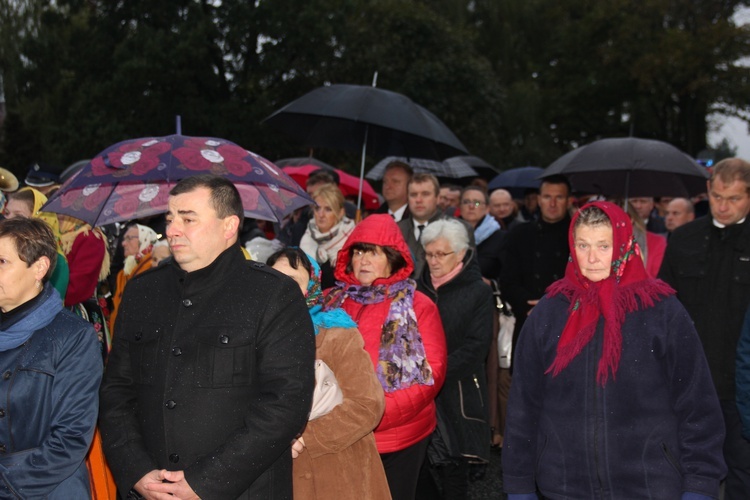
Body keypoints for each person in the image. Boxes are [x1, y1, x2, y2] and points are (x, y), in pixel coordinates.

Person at [99, 174, 316, 499]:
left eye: (188, 219)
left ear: (229, 226)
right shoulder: (143, 291)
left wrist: (204, 483)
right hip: (148, 488)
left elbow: (285, 403)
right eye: (170, 218)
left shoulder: (273, 295)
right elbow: (116, 390)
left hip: (241, 491)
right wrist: (135, 470)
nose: (172, 229)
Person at [503, 201, 726, 499]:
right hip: (565, 485)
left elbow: (698, 405)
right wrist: (518, 485)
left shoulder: (662, 312)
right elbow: (523, 406)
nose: (592, 257)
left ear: (623, 245)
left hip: (649, 484)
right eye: (583, 245)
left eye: (604, 245)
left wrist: (700, 485)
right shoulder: (549, 312)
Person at [324, 214, 446, 500]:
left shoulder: (418, 306)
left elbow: (431, 375)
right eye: (359, 251)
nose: (364, 260)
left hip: (398, 437)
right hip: (339, 433)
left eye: (374, 252)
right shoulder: (331, 300)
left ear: (393, 258)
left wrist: (372, 414)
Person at [267, 248, 391, 500]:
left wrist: (302, 439)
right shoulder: (255, 340)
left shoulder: (337, 335)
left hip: (339, 473)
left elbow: (367, 405)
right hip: (281, 477)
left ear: (311, 289)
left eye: (291, 281)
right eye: (272, 279)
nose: (278, 289)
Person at [659, 158, 750, 499]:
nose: (723, 206)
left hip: (741, 388)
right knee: (687, 469)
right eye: (717, 196)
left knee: (742, 471)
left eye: (735, 198)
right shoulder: (683, 239)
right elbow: (664, 308)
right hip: (690, 381)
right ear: (707, 192)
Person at [0, 217, 102, 497]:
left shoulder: (71, 337)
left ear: (40, 268)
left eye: (2, 262)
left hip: (44, 490)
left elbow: (70, 439)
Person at [417, 219, 493, 499]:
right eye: (429, 253)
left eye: (441, 254)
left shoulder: (478, 292)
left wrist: (434, 372)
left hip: (458, 391)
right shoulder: (416, 288)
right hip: (420, 391)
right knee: (418, 469)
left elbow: (477, 347)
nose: (433, 261)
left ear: (461, 254)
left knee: (454, 471)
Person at [398, 173, 474, 280]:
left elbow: (469, 273)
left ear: (438, 198)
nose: (418, 200)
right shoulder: (395, 230)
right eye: (413, 194)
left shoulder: (460, 229)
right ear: (407, 198)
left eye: (425, 194)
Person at [5, 187, 70, 300]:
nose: (8, 220)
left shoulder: (57, 262)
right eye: (7, 213)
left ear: (38, 219)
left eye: (18, 215)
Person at [300, 183, 356, 288]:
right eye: (317, 208)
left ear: (340, 213)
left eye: (328, 209)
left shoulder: (351, 240)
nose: (321, 215)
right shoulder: (306, 235)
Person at [108, 223, 158, 334]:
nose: (123, 243)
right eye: (124, 238)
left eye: (129, 238)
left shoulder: (154, 268)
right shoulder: (124, 272)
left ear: (144, 240)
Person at [459, 186, 504, 280]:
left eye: (477, 203)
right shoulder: (447, 234)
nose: (471, 206)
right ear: (460, 206)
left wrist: (492, 284)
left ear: (487, 208)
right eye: (466, 202)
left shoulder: (500, 237)